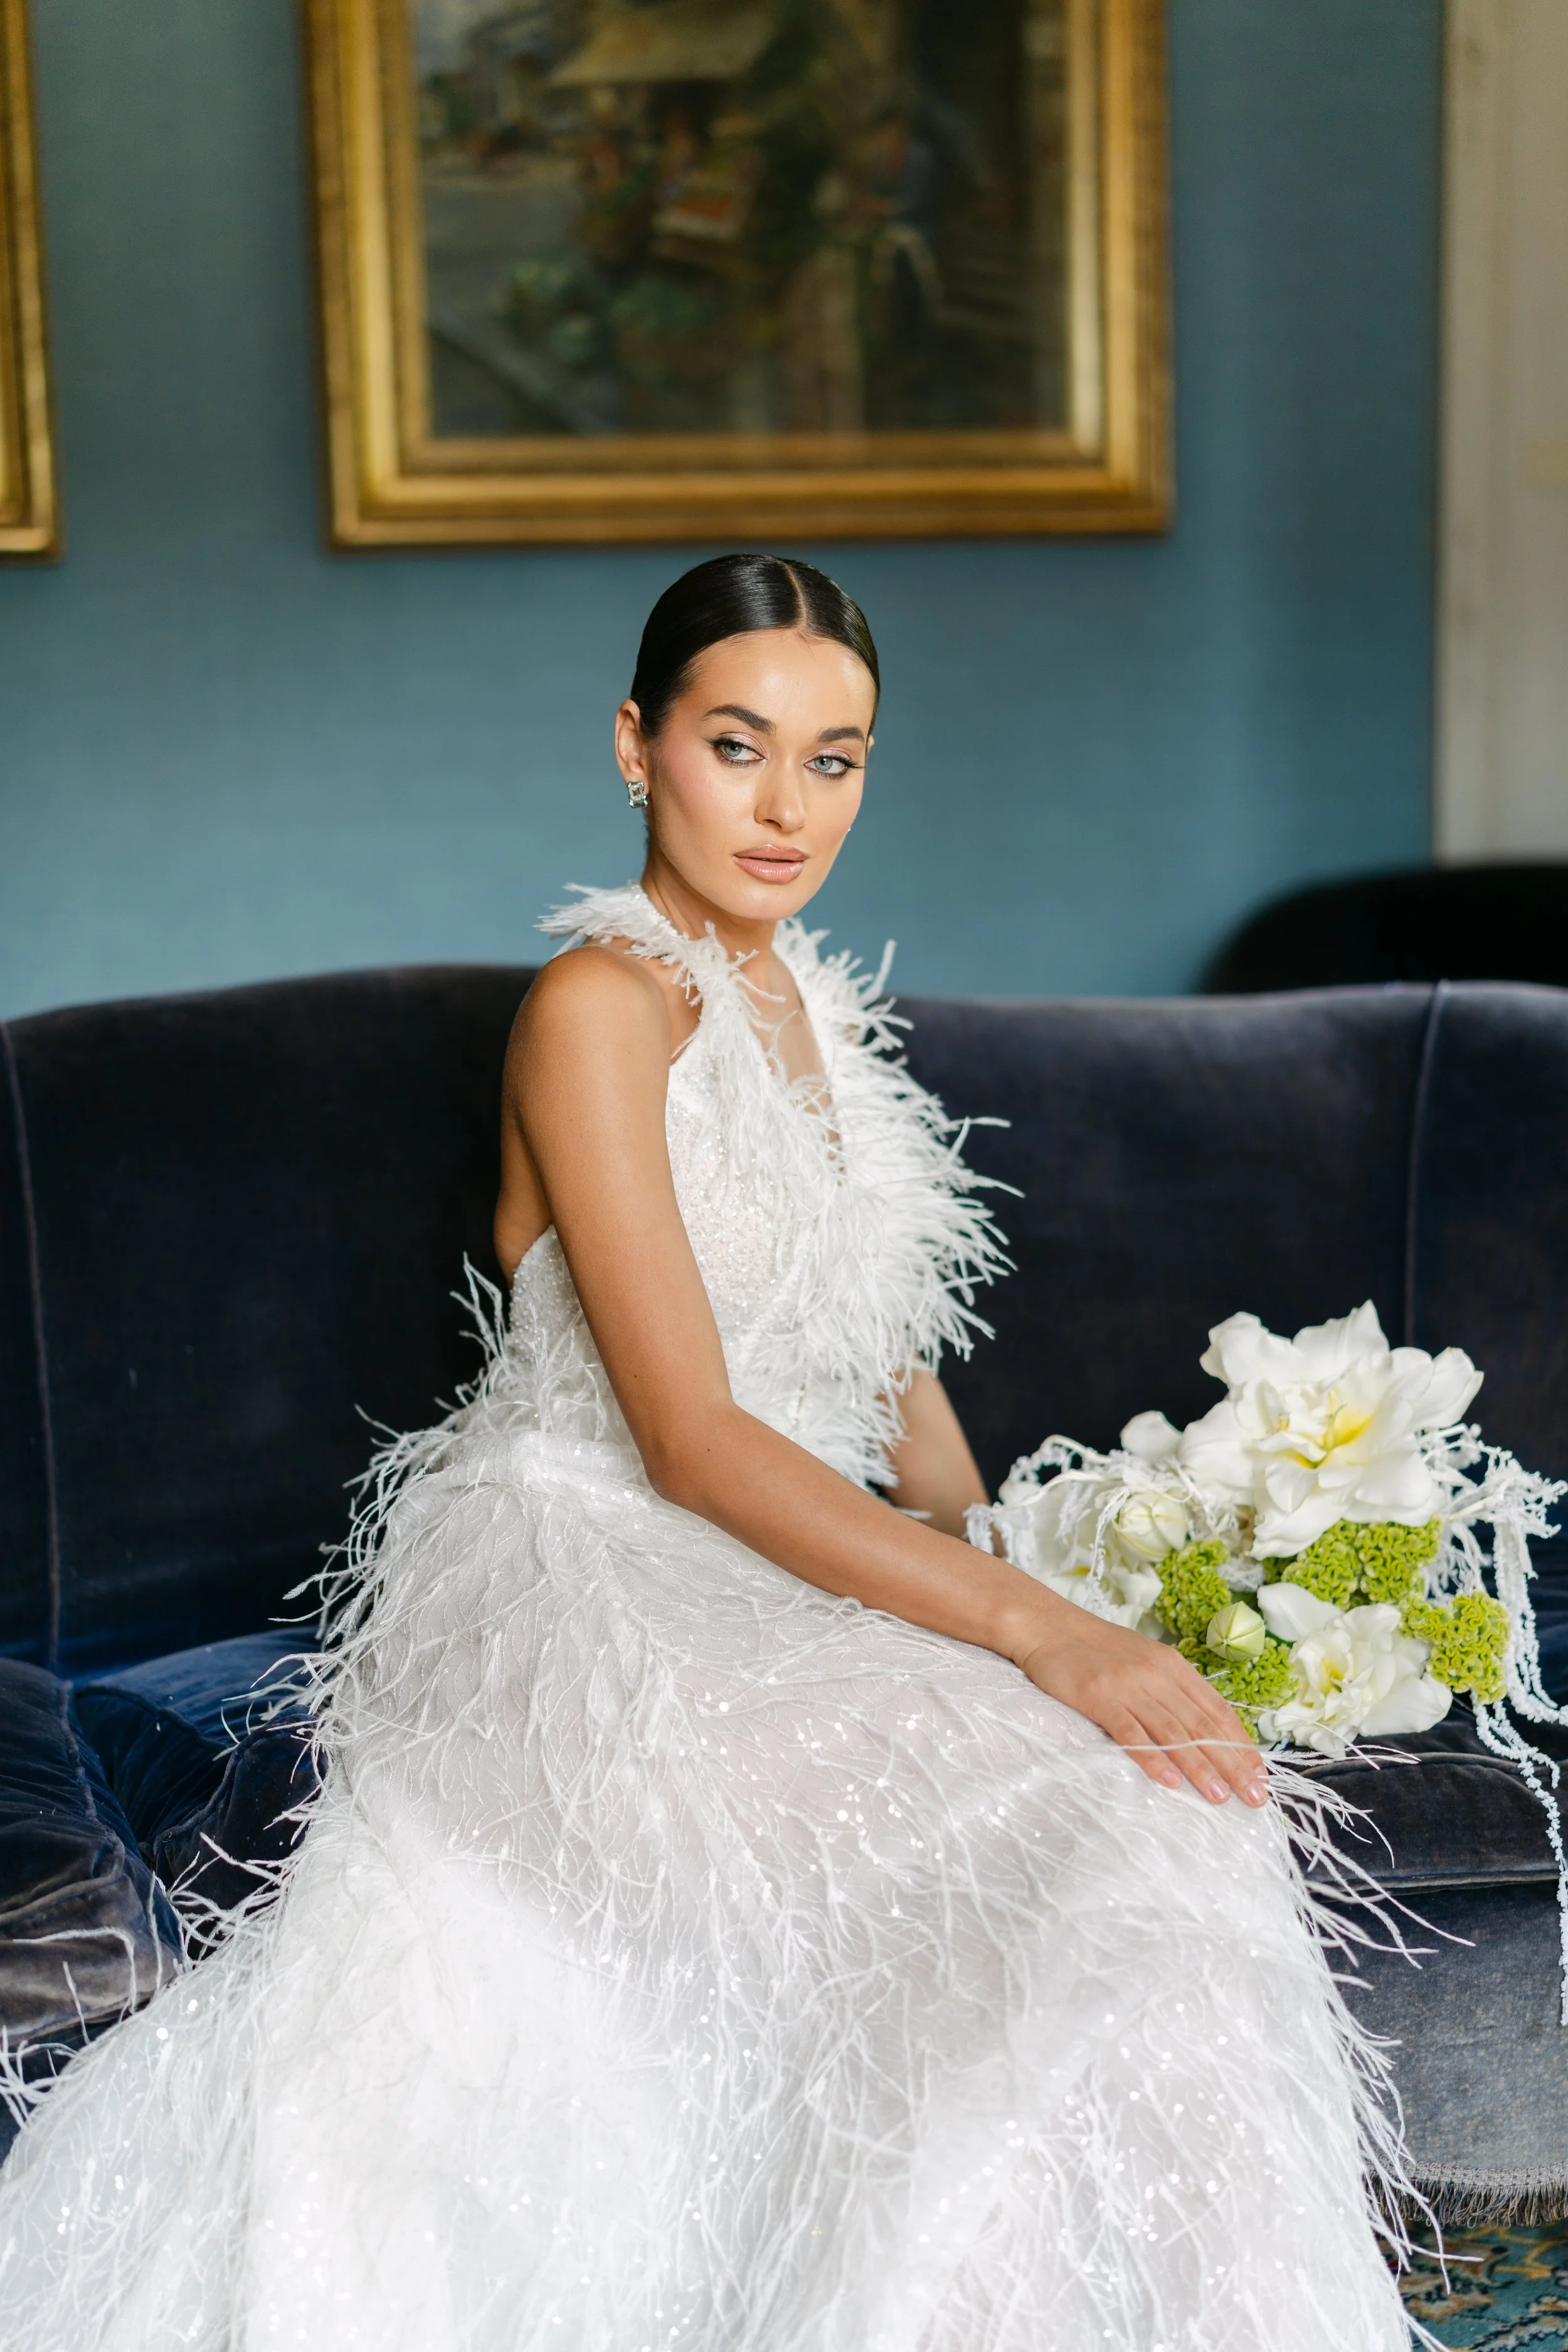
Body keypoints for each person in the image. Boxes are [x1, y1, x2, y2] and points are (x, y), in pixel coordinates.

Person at [0, 554, 1419, 2349]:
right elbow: (687, 1437)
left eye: (834, 759)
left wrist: (1034, 1562)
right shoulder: (597, 1007)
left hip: (798, 1545)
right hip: (593, 1567)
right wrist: (1034, 1630)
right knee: (1071, 1797)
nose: (783, 804)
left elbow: (878, 1359)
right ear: (634, 744)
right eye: (735, 744)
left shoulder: (812, 1003)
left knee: (1154, 1807)